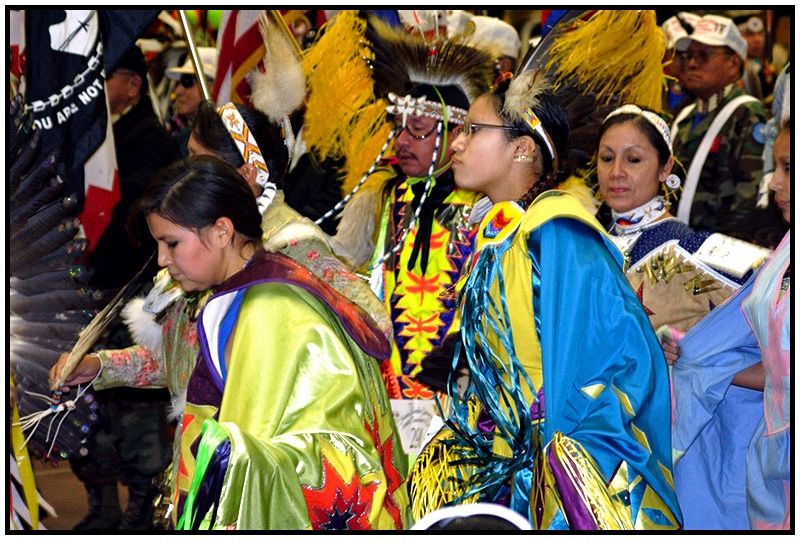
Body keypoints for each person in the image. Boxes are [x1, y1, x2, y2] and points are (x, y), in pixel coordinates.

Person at [50, 101, 396, 529]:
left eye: (200, 161)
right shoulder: (197, 249)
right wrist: (98, 366)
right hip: (202, 471)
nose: (187, 172)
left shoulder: (289, 252)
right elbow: (181, 359)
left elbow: (368, 329)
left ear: (248, 173)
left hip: (259, 482)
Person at [409, 71, 681, 530]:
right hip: (497, 456)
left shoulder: (556, 231)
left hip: (552, 466)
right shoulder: (500, 232)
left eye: (473, 130)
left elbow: (619, 359)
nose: (456, 143)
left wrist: (554, 449)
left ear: (523, 147)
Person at [143, 155, 410, 529]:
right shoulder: (246, 293)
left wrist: (228, 456)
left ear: (222, 231)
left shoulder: (273, 310)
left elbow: (327, 452)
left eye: (171, 243)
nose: (162, 259)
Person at [69, 43, 180, 531]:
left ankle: (141, 507)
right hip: (90, 287)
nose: (96, 85)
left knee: (136, 408)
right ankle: (102, 503)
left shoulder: (148, 139)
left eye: (106, 75)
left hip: (130, 290)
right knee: (88, 408)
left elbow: (130, 217)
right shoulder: (95, 133)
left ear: (133, 85)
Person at [664, 117, 790, 530]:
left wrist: (711, 364)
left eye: (789, 168)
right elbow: (758, 344)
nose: (774, 183)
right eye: (776, 167)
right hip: (773, 446)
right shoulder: (787, 249)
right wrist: (694, 351)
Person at [596, 104, 772, 333]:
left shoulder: (688, 248)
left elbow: (781, 289)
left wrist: (691, 352)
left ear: (665, 168)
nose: (616, 171)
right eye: (607, 158)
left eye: (634, 159)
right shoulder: (588, 239)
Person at [670, 14, 769, 239]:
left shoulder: (749, 115)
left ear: (734, 63)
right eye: (689, 55)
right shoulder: (684, 117)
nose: (692, 63)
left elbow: (748, 206)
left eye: (704, 55)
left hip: (717, 257)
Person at [164, 46, 217, 157]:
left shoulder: (225, 144)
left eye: (187, 82)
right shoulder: (184, 138)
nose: (178, 91)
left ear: (212, 87)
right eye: (178, 83)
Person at [661, 12, 700, 114]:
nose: (689, 62)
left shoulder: (708, 98)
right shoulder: (649, 90)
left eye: (695, 54)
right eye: (680, 54)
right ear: (665, 54)